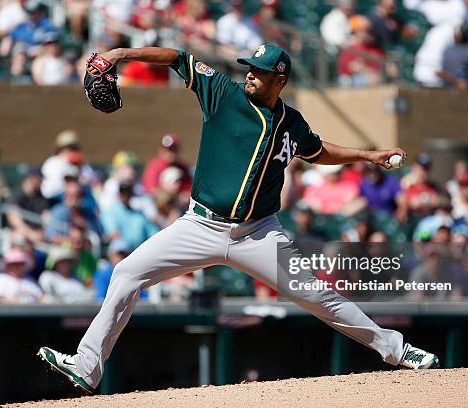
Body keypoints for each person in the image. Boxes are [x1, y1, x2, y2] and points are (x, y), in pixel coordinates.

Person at [38, 44, 439, 394]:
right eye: (249, 67)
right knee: (126, 274)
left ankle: (397, 349)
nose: (250, 74)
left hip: (258, 235)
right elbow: (179, 57)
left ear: (278, 80)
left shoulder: (290, 121)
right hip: (199, 226)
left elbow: (317, 151)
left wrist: (367, 156)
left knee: (319, 298)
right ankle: (87, 367)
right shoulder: (222, 93)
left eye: (260, 71)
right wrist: (119, 55)